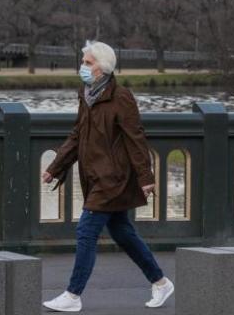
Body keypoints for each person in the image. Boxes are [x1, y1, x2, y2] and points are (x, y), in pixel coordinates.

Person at [41, 41, 174, 312]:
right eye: (84, 62)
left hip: (113, 179)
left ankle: (73, 295)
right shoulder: (87, 94)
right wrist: (55, 167)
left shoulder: (121, 97)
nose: (83, 67)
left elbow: (136, 139)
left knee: (86, 232)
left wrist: (146, 178)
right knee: (122, 232)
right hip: (94, 177)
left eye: (88, 63)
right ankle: (160, 282)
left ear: (103, 68)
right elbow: (77, 135)